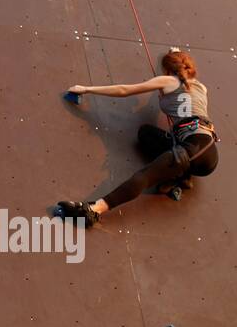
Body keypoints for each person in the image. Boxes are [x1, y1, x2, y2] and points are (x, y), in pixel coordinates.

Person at [57, 49, 219, 224]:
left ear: (167, 69)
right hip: (206, 149)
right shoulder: (201, 88)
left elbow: (125, 90)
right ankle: (181, 177)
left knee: (144, 176)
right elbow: (185, 103)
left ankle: (93, 211)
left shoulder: (168, 80)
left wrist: (86, 89)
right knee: (146, 133)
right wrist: (176, 55)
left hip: (195, 147)